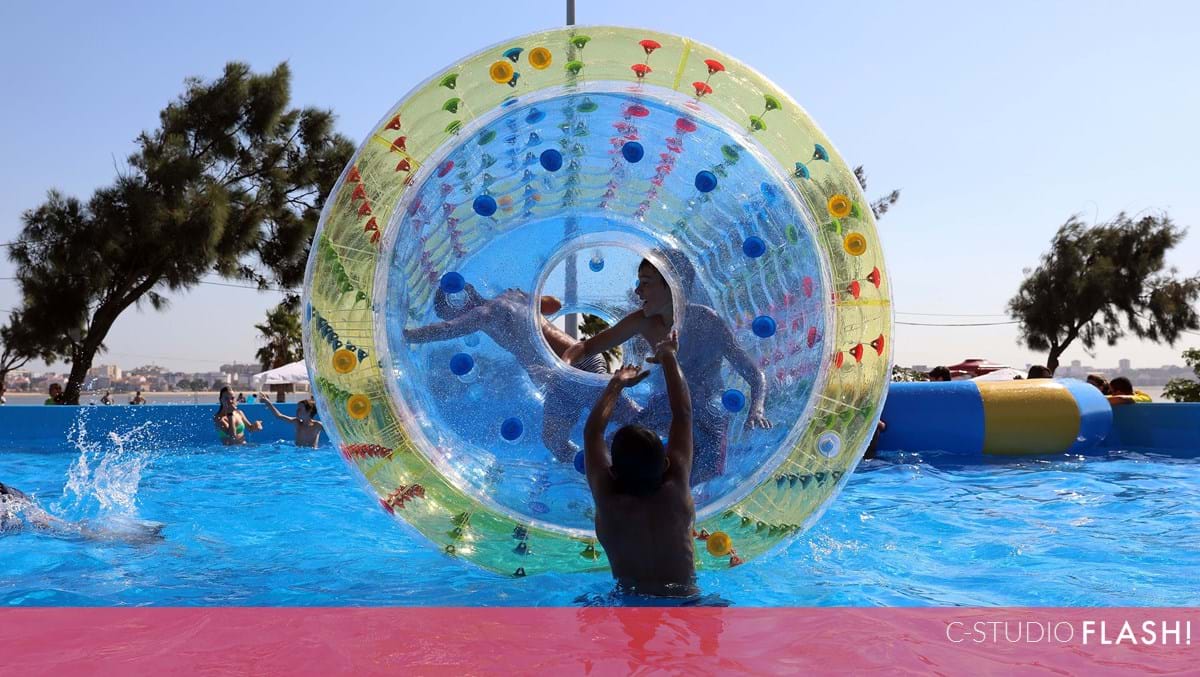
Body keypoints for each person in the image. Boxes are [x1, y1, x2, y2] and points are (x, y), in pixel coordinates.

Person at [562, 254, 769, 484]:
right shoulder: (643, 321)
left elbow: (753, 373)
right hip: (667, 405)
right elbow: (585, 347)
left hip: (709, 409)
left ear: (673, 286)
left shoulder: (708, 322)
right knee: (613, 449)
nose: (637, 291)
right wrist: (562, 367)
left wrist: (756, 409)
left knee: (701, 476)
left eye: (646, 283)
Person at [404, 284, 635, 461]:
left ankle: (658, 432)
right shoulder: (513, 295)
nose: (460, 321)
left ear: (459, 306)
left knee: (629, 416)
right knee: (554, 441)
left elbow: (447, 330)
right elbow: (555, 305)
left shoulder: (485, 313)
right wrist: (531, 300)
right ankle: (601, 466)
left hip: (576, 366)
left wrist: (408, 336)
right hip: (557, 380)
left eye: (454, 315)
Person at [585, 331, 697, 598]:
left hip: (629, 603)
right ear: (666, 462)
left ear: (612, 471)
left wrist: (617, 383)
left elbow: (592, 434)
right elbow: (683, 414)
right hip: (687, 600)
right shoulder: (676, 486)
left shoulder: (607, 498)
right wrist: (668, 355)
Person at [1, 481, 164, 543]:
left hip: (10, 499)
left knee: (63, 530)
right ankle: (132, 534)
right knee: (63, 529)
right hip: (11, 498)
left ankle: (132, 535)